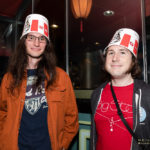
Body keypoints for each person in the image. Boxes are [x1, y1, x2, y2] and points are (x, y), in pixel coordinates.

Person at [0, 14, 79, 150]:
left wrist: (62, 145)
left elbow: (72, 118)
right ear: (23, 41)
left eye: (41, 38)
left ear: (47, 44)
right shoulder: (9, 78)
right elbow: (2, 114)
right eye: (31, 37)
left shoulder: (61, 77)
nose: (36, 43)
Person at [90, 28, 150, 150]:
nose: (115, 58)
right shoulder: (97, 94)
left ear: (133, 61)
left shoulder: (146, 94)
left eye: (122, 52)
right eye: (111, 52)